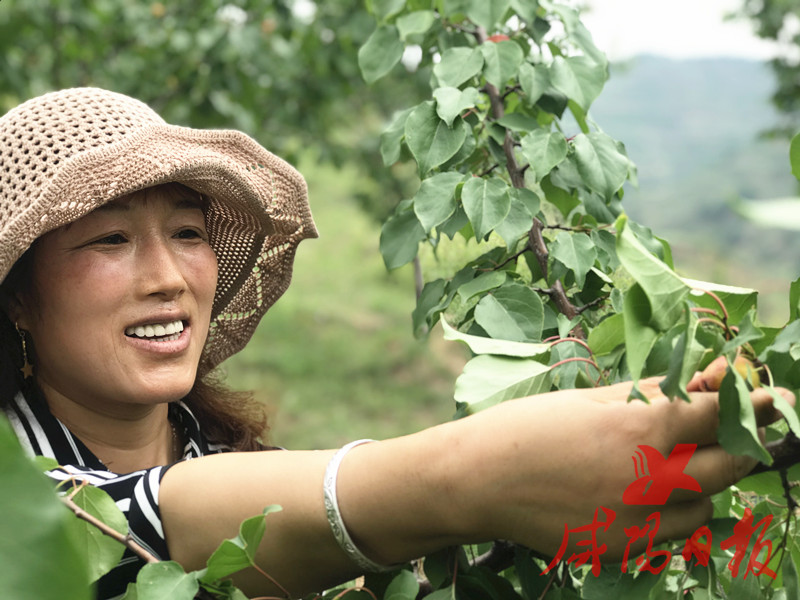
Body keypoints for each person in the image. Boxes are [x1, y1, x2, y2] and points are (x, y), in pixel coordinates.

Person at [0, 88, 794, 599]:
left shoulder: (215, 447)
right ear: (20, 300)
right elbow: (140, 521)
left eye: (186, 231)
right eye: (108, 241)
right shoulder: (19, 499)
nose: (169, 276)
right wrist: (480, 475)